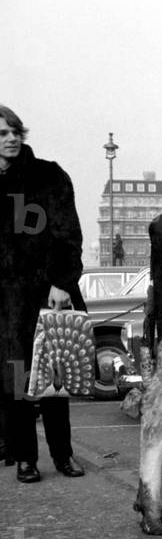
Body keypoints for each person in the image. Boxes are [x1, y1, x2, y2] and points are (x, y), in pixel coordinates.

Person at [0, 104, 87, 483]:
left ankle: (63, 455)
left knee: (55, 380)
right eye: (2, 134)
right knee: (15, 381)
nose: (11, 138)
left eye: (15, 131)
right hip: (6, 303)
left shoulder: (48, 176)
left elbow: (68, 235)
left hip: (48, 292)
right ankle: (25, 458)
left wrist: (62, 283)